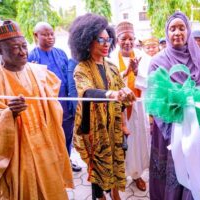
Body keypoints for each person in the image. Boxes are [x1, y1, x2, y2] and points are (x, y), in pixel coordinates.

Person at [0, 20, 73, 199]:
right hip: (18, 152)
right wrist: (9, 114)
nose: (23, 52)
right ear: (0, 51)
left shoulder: (40, 73)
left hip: (45, 144)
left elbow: (54, 107)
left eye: (24, 46)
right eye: (15, 48)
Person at [68, 13, 136, 200]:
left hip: (113, 127)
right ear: (87, 41)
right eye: (100, 39)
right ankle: (100, 196)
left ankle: (114, 193)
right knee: (97, 166)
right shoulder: (82, 68)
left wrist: (125, 95)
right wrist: (112, 94)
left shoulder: (112, 67)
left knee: (115, 160)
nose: (106, 44)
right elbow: (86, 92)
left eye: (108, 39)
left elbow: (119, 88)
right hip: (93, 129)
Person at [148, 12, 200, 200]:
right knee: (167, 170)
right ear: (167, 33)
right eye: (172, 28)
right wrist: (174, 123)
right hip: (166, 131)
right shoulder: (157, 61)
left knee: (190, 169)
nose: (177, 32)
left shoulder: (199, 60)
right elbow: (155, 99)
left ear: (188, 32)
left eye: (182, 28)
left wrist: (192, 115)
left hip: (192, 128)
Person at [28, 22, 81, 172]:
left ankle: (67, 160)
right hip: (47, 108)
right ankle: (53, 166)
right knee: (50, 137)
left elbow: (70, 78)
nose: (50, 37)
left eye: (51, 34)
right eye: (45, 34)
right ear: (36, 35)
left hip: (66, 105)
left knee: (67, 135)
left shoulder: (61, 53)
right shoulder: (32, 57)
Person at [110, 21, 150, 192]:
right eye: (123, 38)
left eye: (130, 38)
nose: (127, 42)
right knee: (121, 143)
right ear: (117, 40)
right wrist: (126, 73)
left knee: (138, 142)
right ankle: (121, 174)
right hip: (119, 111)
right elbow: (109, 84)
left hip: (138, 109)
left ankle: (137, 174)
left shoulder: (143, 57)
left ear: (135, 39)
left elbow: (149, 83)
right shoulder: (110, 59)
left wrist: (137, 71)